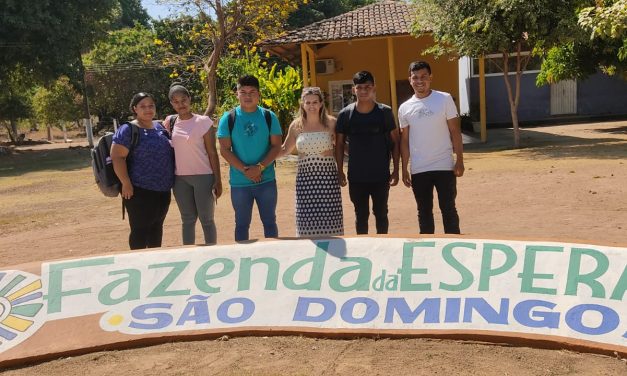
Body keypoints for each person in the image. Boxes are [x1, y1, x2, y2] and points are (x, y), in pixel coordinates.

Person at [399, 61, 464, 234]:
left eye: (424, 77)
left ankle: (454, 246)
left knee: (448, 209)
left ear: (431, 77)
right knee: (424, 212)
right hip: (419, 169)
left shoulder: (444, 99)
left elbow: (455, 131)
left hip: (444, 166)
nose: (420, 81)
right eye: (415, 77)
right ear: (410, 80)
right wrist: (404, 168)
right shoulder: (404, 108)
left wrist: (459, 161)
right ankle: (427, 251)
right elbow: (404, 140)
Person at [217, 75, 282, 241]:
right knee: (241, 224)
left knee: (269, 222)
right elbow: (224, 150)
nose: (248, 96)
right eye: (243, 92)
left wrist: (259, 168)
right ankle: (242, 260)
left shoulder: (269, 116)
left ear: (259, 94)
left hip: (266, 180)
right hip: (240, 183)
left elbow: (276, 146)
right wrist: (246, 170)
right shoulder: (229, 118)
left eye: (252, 92)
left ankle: (275, 255)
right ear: (237, 94)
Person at [335, 71, 400, 234]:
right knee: (361, 215)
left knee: (381, 214)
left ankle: (383, 248)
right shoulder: (345, 114)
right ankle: (363, 250)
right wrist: (339, 171)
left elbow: (395, 142)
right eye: (360, 87)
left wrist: (397, 170)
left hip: (381, 175)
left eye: (367, 87)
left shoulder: (385, 112)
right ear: (353, 90)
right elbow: (339, 144)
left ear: (374, 88)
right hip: (356, 176)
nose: (364, 91)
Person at [111, 92, 174, 249]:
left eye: (151, 105)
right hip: (139, 191)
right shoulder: (128, 129)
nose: (148, 109)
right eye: (143, 106)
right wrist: (125, 183)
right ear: (135, 109)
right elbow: (117, 157)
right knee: (140, 231)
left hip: (163, 190)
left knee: (156, 230)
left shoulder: (160, 127)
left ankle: (154, 267)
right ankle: (138, 265)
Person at [279, 87, 343, 237]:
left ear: (321, 103)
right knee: (306, 225)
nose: (311, 106)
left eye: (315, 102)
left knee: (331, 224)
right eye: (307, 102)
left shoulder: (332, 123)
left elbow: (341, 148)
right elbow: (284, 150)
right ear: (302, 104)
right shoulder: (296, 126)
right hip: (305, 182)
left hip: (328, 182)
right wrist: (262, 160)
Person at [165, 84, 222, 245]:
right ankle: (188, 255)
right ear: (172, 104)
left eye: (183, 100)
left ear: (189, 99)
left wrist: (218, 180)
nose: (181, 104)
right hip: (180, 179)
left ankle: (212, 252)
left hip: (203, 177)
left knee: (207, 219)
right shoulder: (170, 122)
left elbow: (212, 153)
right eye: (176, 102)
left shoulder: (203, 122)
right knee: (188, 219)